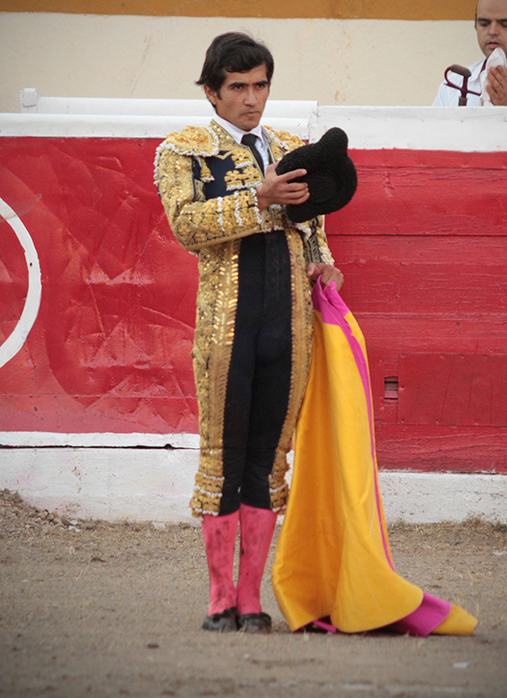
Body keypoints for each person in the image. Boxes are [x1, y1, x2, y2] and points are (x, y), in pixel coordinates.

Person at [154, 32, 342, 634]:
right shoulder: (183, 151)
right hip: (225, 333)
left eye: (260, 85)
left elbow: (313, 232)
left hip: (289, 329)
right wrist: (258, 197)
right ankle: (219, 599)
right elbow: (186, 226)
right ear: (212, 93)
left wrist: (326, 265)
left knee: (268, 461)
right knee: (222, 459)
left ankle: (251, 598)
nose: (252, 99)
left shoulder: (290, 149)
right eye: (238, 87)